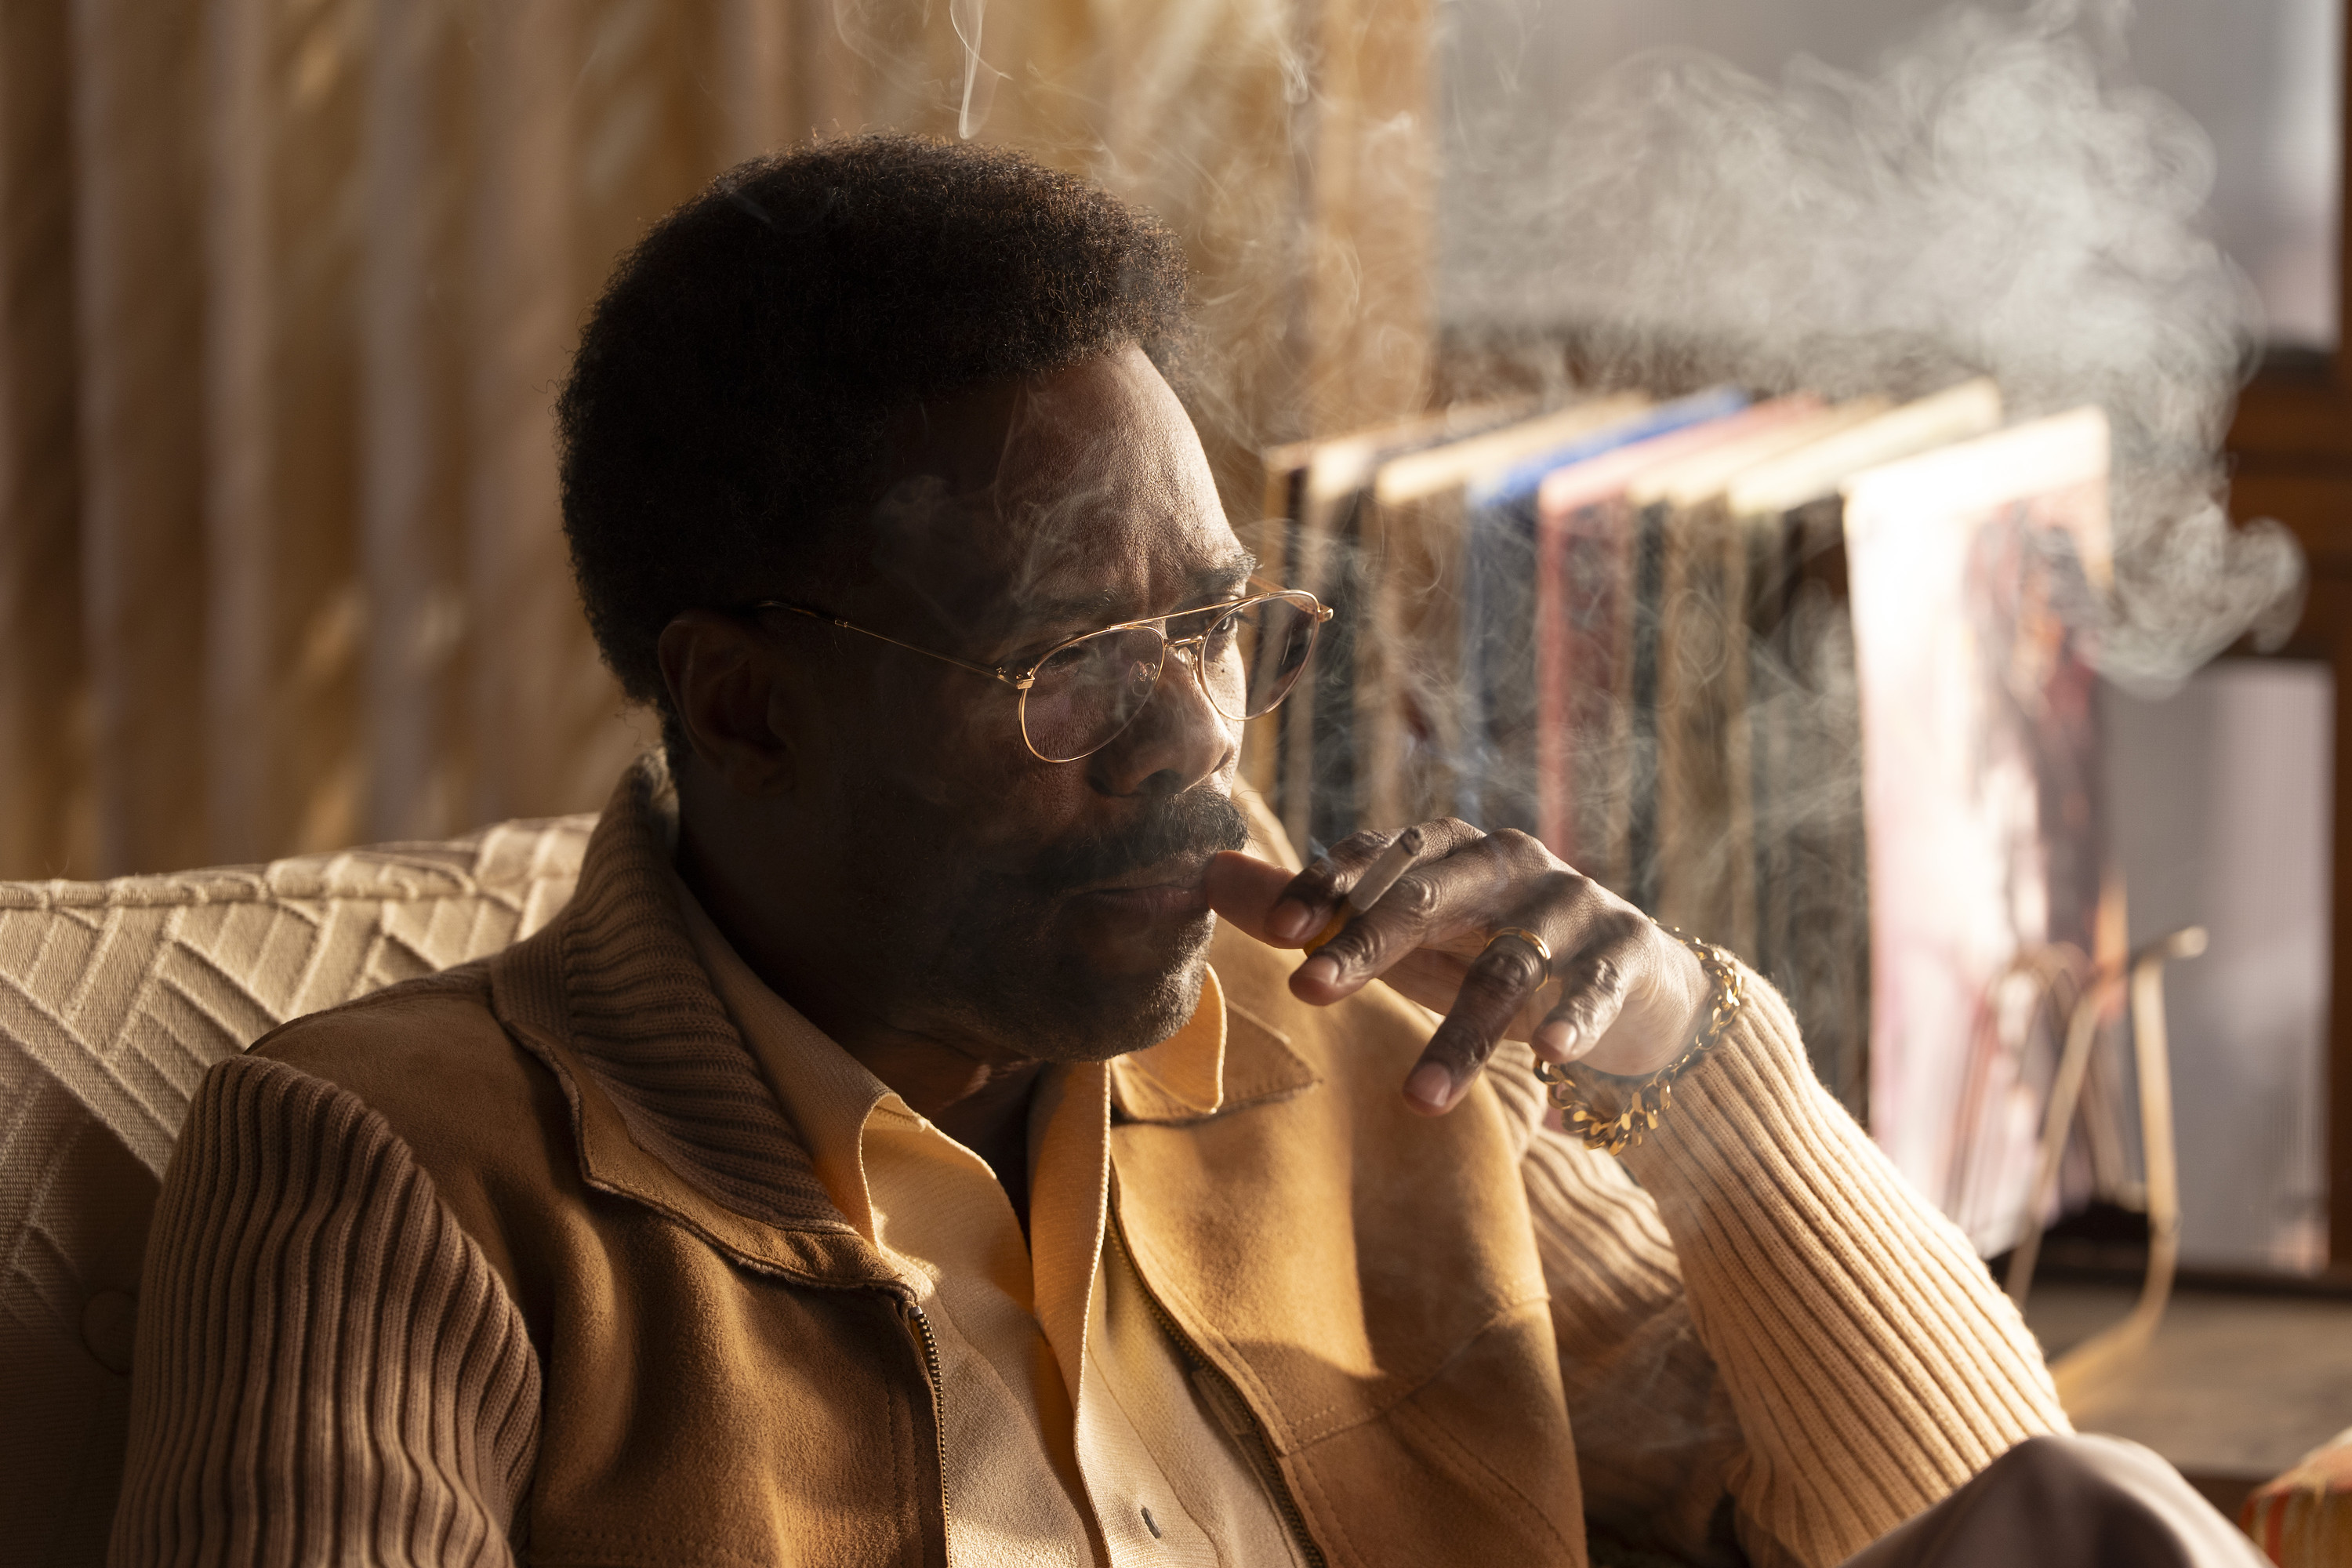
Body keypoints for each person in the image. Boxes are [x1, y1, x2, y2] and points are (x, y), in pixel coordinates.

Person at [109, 135, 2259, 1568]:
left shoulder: (1359, 1056)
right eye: (1072, 664)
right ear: (746, 705)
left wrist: (1691, 1071)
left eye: (1218, 629)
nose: (1202, 742)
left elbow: (1957, 1516)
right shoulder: (392, 1173)